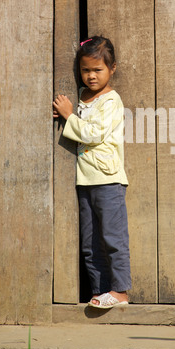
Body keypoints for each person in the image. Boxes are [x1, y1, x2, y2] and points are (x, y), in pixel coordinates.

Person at [52, 36, 131, 309]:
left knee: (113, 239)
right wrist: (69, 112)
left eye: (98, 70)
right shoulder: (82, 96)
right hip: (85, 181)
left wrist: (68, 116)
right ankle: (99, 292)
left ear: (113, 69)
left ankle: (120, 292)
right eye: (86, 70)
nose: (91, 76)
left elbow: (95, 134)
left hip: (108, 180)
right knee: (89, 243)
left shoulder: (111, 100)